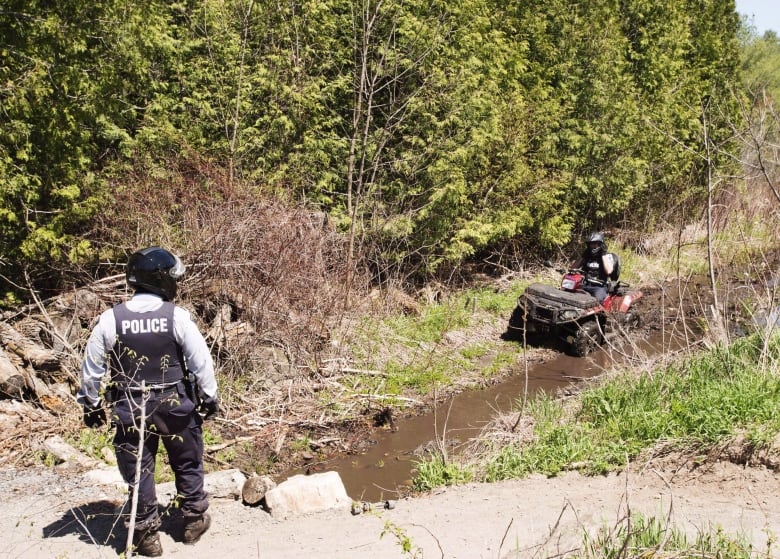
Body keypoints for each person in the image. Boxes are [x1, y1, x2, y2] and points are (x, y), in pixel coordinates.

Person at [77, 247, 219, 557]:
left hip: (130, 405)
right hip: (175, 404)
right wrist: (210, 397)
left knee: (138, 469)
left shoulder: (110, 320)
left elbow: (92, 369)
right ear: (161, 280)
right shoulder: (177, 317)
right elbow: (201, 363)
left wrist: (89, 405)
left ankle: (145, 534)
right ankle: (194, 521)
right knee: (187, 460)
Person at [572, 232, 615, 303]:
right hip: (584, 284)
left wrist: (603, 255)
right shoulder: (587, 255)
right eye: (591, 244)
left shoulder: (607, 256)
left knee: (597, 300)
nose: (593, 246)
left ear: (600, 245)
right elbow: (573, 268)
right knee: (569, 292)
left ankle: (598, 314)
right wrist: (583, 256)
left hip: (599, 287)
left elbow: (609, 271)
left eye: (595, 243)